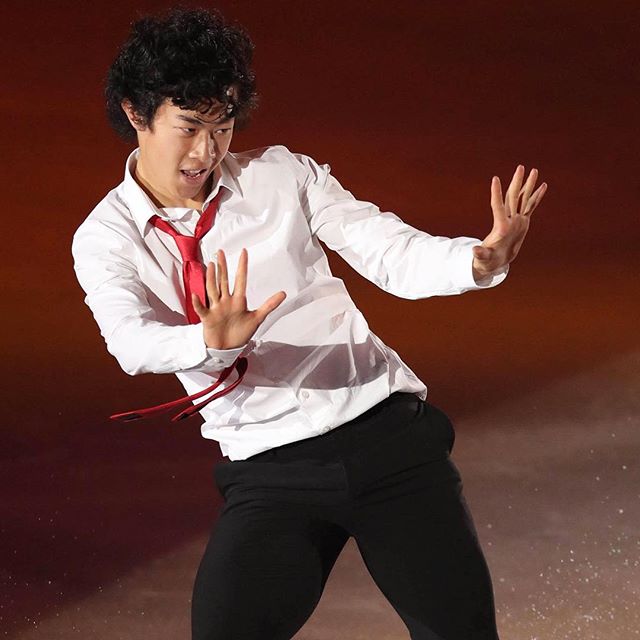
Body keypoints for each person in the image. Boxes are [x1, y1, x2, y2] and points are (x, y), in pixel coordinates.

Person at [71, 6, 547, 640]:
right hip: (271, 471)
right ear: (136, 113)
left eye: (223, 127)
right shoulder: (106, 238)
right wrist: (207, 340)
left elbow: (389, 252)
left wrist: (477, 260)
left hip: (386, 440)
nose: (208, 150)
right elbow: (130, 342)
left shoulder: (282, 175)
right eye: (189, 128)